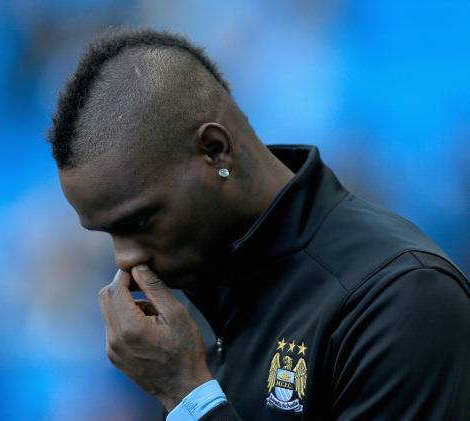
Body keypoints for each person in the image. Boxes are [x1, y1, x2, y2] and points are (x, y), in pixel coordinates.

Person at [47, 29, 470, 420]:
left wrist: (188, 395)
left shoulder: (400, 298)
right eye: (108, 233)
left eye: (140, 221)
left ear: (215, 151)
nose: (125, 259)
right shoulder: (191, 302)